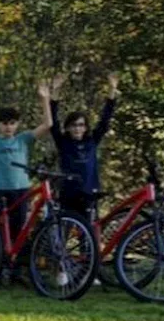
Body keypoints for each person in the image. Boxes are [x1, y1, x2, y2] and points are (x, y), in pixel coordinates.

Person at [0, 79, 53, 237]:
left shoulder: (23, 138)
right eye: (5, 123)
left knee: (18, 227)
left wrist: (44, 99)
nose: (8, 127)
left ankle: (15, 258)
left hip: (20, 189)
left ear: (17, 124)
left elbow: (48, 124)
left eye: (12, 123)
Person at [49, 73, 120, 219]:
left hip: (89, 193)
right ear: (68, 128)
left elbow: (104, 120)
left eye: (81, 125)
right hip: (68, 193)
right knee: (64, 230)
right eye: (73, 125)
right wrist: (55, 91)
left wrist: (112, 90)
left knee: (90, 233)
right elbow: (53, 122)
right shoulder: (63, 142)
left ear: (86, 128)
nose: (77, 128)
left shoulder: (92, 140)